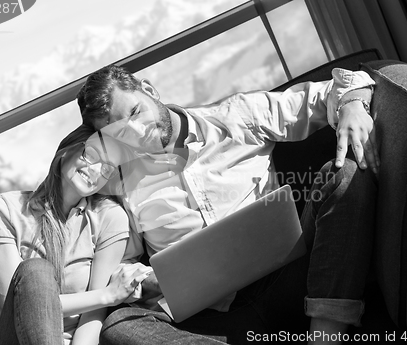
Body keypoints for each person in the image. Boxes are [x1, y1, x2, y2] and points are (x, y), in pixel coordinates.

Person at [76, 64, 379, 344]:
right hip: (215, 322)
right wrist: (146, 279)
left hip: (290, 277)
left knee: (344, 176)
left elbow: (335, 89)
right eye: (121, 134)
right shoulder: (123, 187)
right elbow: (124, 267)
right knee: (120, 325)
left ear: (150, 91)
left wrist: (353, 105)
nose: (139, 133)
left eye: (135, 112)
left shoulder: (235, 116)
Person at [0, 126, 152, 345]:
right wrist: (108, 295)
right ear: (66, 149)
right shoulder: (5, 208)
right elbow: (12, 301)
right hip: (13, 337)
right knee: (36, 271)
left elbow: (93, 316)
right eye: (91, 154)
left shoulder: (109, 217)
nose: (96, 170)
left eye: (108, 168)